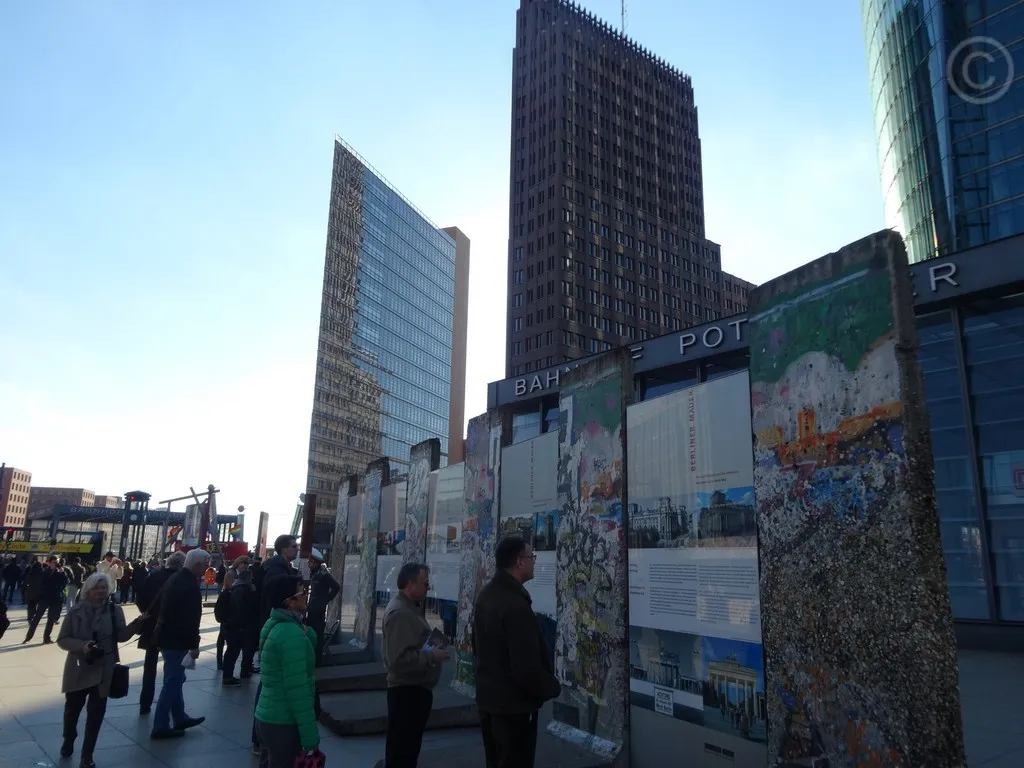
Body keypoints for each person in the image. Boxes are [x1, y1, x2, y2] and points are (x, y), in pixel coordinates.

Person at [472, 536, 561, 768]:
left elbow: (477, 647)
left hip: (491, 702)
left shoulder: (487, 595)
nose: (534, 562)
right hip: (513, 708)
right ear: (519, 562)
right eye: (532, 557)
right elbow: (525, 668)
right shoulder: (514, 606)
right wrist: (551, 687)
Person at [57, 572, 146, 768]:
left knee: (96, 715)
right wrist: (83, 646)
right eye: (97, 588)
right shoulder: (75, 612)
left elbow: (121, 636)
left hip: (104, 670)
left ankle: (87, 756)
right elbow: (62, 639)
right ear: (88, 590)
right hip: (79, 668)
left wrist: (138, 623)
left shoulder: (115, 611)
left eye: (104, 587)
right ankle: (69, 738)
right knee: (72, 711)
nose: (101, 591)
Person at [382, 562, 448, 768]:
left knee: (406, 750)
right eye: (425, 583)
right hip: (407, 693)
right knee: (403, 753)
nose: (428, 587)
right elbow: (398, 660)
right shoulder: (401, 613)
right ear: (410, 584)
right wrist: (431, 656)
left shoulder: (409, 608)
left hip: (414, 690)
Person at [254, 575, 320, 768]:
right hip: (283, 721)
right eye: (302, 593)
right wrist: (310, 735)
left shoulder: (275, 624)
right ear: (290, 602)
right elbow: (298, 689)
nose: (306, 596)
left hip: (267, 715)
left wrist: (306, 633)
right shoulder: (291, 635)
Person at [150, 548, 210, 739]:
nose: (207, 568)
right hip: (176, 640)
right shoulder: (189, 585)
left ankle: (179, 716)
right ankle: (160, 725)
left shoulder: (176, 579)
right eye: (206, 564)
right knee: (173, 682)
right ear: (197, 565)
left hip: (167, 637)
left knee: (175, 679)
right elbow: (190, 619)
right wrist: (194, 644)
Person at [252, 534, 299, 755]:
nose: (297, 549)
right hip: (274, 625)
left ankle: (260, 738)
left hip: (272, 624)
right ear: (283, 549)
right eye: (293, 546)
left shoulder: (280, 566)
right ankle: (260, 737)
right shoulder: (278, 569)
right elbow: (274, 590)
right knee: (268, 684)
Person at [135, 550, 184, 715]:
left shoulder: (154, 576)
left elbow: (140, 597)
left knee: (149, 666)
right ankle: (168, 705)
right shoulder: (179, 580)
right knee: (172, 667)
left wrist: (146, 612)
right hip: (171, 628)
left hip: (151, 625)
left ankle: (145, 703)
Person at [221, 568, 259, 685]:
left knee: (232, 651)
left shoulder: (234, 588)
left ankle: (228, 675)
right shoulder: (243, 590)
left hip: (231, 625)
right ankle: (227, 677)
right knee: (233, 652)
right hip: (237, 627)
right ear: (247, 578)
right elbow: (243, 609)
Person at [24, 555, 69, 645]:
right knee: (37, 618)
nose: (55, 564)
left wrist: (62, 573)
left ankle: (46, 638)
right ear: (49, 562)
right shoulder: (45, 571)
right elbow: (41, 582)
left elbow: (65, 582)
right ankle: (28, 637)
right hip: (45, 598)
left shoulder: (61, 572)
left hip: (55, 598)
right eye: (53, 562)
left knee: (51, 620)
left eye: (57, 562)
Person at [305, 548, 339, 666]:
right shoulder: (314, 574)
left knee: (318, 635)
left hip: (318, 609)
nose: (308, 565)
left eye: (310, 563)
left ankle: (317, 660)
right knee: (311, 633)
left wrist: (326, 599)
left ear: (315, 562)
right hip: (312, 608)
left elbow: (336, 587)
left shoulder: (323, 574)